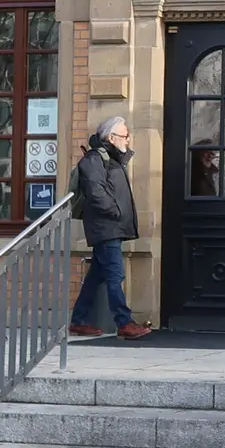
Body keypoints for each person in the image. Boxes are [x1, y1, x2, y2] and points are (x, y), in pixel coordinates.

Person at [69, 116, 150, 341]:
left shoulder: (113, 159)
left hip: (111, 226)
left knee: (96, 276)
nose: (128, 139)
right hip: (105, 227)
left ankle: (79, 320)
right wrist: (115, 211)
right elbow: (96, 191)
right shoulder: (94, 159)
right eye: (125, 135)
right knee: (115, 274)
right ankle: (124, 322)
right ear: (111, 137)